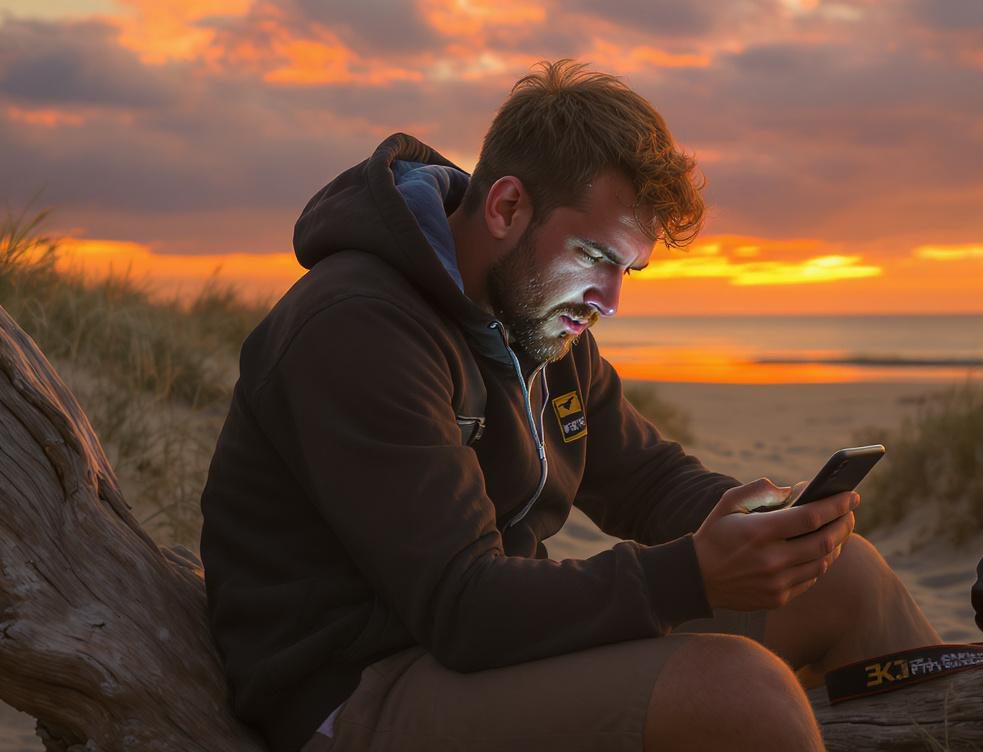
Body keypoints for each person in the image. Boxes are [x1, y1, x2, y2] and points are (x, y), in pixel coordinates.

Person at [199, 59, 941, 752]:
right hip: (356, 683)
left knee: (850, 579)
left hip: (492, 645)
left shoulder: (540, 318)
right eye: (596, 257)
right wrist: (692, 576)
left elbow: (646, 481)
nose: (611, 301)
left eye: (629, 269)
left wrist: (768, 523)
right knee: (742, 694)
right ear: (508, 205)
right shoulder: (358, 328)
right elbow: (460, 603)